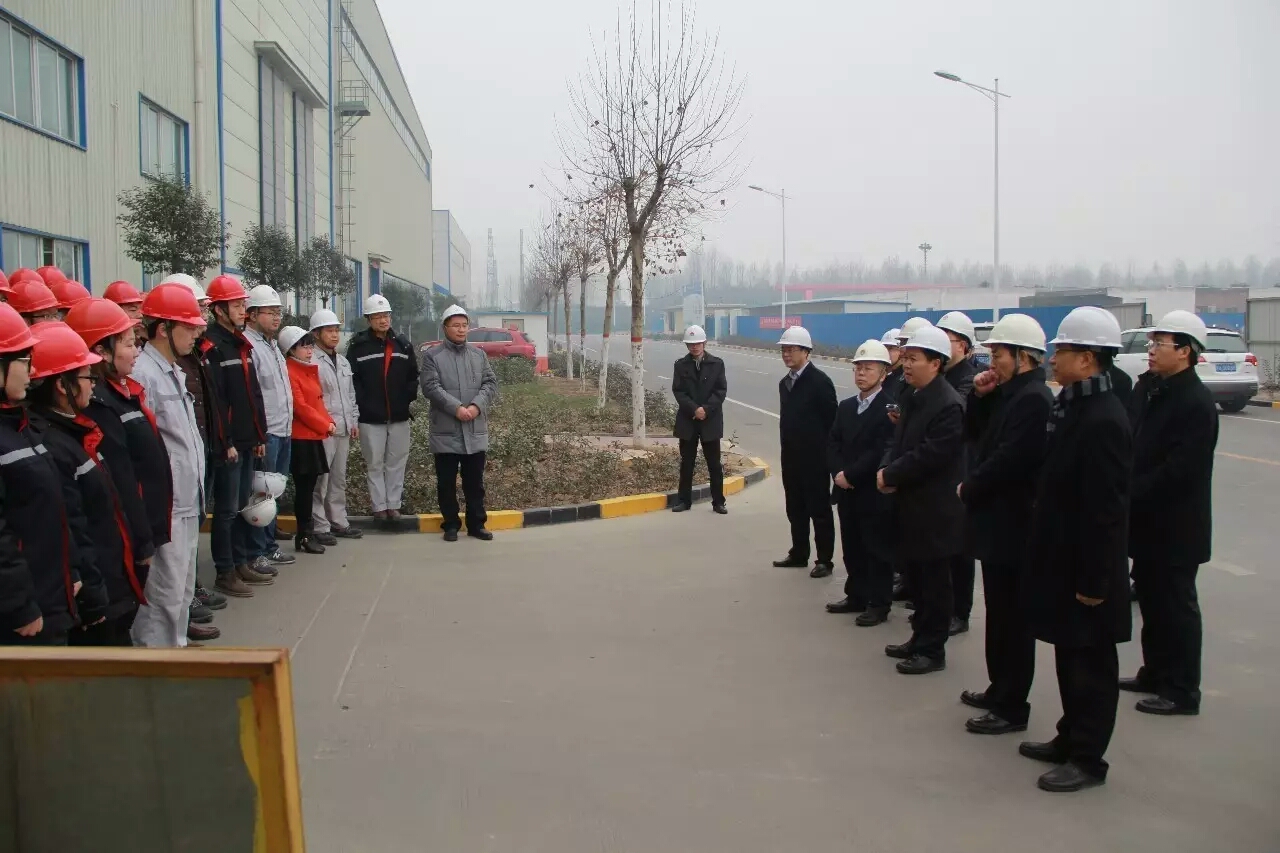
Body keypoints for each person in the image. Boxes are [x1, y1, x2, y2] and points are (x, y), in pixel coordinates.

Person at [1019, 306, 1132, 793]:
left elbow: (1106, 510)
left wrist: (1095, 580)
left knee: (1092, 665)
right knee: (1070, 657)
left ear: (1087, 358)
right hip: (1064, 559)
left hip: (1089, 570)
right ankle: (1069, 737)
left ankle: (1088, 759)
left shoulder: (1104, 418)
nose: (1052, 358)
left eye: (1061, 350)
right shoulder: (1072, 406)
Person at [955, 314, 1054, 735]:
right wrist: (980, 397)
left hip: (1015, 524)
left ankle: (1012, 705)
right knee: (998, 615)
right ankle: (999, 689)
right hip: (997, 522)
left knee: (1013, 620)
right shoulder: (1009, 393)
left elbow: (1010, 458)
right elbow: (977, 436)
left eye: (998, 354)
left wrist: (971, 485)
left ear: (1024, 357)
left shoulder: (1034, 399)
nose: (991, 362)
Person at [1122, 309, 1218, 717]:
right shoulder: (1153, 389)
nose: (1151, 350)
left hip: (1177, 525)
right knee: (1151, 600)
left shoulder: (1196, 402)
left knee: (1176, 607)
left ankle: (1181, 690)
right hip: (1148, 521)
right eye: (1152, 342)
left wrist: (1132, 491)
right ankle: (1155, 672)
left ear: (1185, 351)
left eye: (1160, 344)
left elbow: (1181, 469)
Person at [28, 323, 146, 647]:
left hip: (110, 582)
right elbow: (74, 529)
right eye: (86, 377)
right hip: (96, 595)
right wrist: (93, 594)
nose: (93, 385)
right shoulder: (54, 446)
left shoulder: (74, 433)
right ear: (62, 385)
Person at [0, 304, 107, 645]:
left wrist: (71, 570)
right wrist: (19, 605)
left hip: (50, 596)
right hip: (24, 616)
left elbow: (55, 513)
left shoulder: (21, 427)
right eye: (23, 360)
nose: (31, 371)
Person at [878, 323, 965, 675]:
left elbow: (931, 455)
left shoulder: (949, 404)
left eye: (914, 358)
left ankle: (932, 649)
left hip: (935, 511)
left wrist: (892, 474)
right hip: (910, 505)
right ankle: (918, 638)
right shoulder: (914, 396)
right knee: (917, 581)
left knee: (935, 584)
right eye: (906, 357)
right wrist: (887, 469)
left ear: (936, 363)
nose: (907, 364)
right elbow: (898, 443)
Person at [130, 284, 210, 648]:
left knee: (181, 589)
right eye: (188, 327)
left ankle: (175, 651)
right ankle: (155, 658)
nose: (196, 334)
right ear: (163, 328)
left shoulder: (172, 370)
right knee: (163, 592)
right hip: (169, 504)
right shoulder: (143, 374)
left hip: (187, 498)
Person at [162, 274, 231, 613]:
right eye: (196, 311)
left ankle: (190, 595)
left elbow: (211, 401)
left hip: (201, 448)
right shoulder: (162, 365)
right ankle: (183, 602)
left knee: (193, 530)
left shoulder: (196, 353)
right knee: (176, 544)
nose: (201, 320)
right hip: (177, 468)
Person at [203, 275, 272, 596]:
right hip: (229, 444)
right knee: (227, 509)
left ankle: (241, 561)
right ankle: (225, 570)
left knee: (244, 506)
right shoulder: (212, 346)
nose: (243, 310)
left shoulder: (240, 342)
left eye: (243, 304)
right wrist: (226, 441)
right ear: (218, 310)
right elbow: (216, 401)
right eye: (236, 305)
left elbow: (252, 394)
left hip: (247, 440)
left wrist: (259, 435)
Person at [826, 340, 896, 626]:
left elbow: (880, 450)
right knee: (852, 545)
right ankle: (855, 594)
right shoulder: (846, 407)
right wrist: (837, 473)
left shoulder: (890, 408)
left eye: (868, 368)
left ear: (884, 373)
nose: (862, 373)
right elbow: (833, 442)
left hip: (871, 490)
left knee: (876, 549)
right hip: (846, 489)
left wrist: (851, 475)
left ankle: (878, 603)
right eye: (858, 368)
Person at [420, 304, 499, 541]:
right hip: (445, 430)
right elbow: (430, 387)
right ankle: (451, 524)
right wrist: (456, 408)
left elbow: (490, 383)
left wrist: (475, 406)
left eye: (464, 325)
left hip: (474, 428)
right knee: (446, 482)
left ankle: (476, 524)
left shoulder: (478, 355)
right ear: (445, 328)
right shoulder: (432, 356)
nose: (461, 330)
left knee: (475, 482)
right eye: (456, 325)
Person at [772, 326, 838, 577]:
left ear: (806, 352)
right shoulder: (785, 384)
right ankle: (799, 553)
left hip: (815, 460)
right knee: (795, 508)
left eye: (791, 350)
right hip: (791, 458)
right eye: (783, 350)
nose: (786, 354)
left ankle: (824, 560)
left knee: (819, 511)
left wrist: (828, 457)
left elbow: (832, 423)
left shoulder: (820, 382)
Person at [348, 293, 419, 521]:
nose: (383, 320)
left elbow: (413, 376)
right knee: (375, 463)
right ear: (369, 319)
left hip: (399, 416)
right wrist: (363, 402)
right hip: (370, 417)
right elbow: (352, 379)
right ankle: (379, 506)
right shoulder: (358, 347)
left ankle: (394, 505)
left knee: (397, 462)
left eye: (386, 315)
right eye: (377, 316)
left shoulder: (403, 345)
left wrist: (406, 398)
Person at [244, 285, 299, 559]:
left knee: (273, 494)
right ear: (252, 314)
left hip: (283, 430)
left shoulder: (273, 346)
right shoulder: (249, 347)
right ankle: (257, 551)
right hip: (266, 434)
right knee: (260, 496)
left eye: (279, 312)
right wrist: (258, 434)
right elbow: (252, 396)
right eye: (270, 312)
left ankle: (269, 546)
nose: (277, 318)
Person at [936, 311, 981, 636]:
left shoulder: (968, 378)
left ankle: (960, 611)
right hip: (940, 472)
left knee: (960, 548)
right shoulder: (941, 374)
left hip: (961, 469)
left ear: (963, 345)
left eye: (947, 339)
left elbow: (956, 417)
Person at [278, 326, 337, 554]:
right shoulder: (291, 371)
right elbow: (301, 407)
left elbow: (317, 402)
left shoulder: (306, 369)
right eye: (304, 347)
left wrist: (328, 421)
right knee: (304, 489)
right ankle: (304, 534)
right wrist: (324, 424)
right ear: (291, 350)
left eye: (310, 345)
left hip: (312, 436)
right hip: (301, 437)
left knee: (309, 487)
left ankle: (306, 532)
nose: (309, 350)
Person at [310, 308, 362, 541]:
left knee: (338, 479)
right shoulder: (311, 360)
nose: (334, 335)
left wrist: (353, 420)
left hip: (343, 429)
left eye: (336, 330)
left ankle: (339, 522)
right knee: (321, 480)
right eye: (329, 331)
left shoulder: (342, 361)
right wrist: (323, 423)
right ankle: (320, 526)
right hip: (323, 430)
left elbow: (350, 395)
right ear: (316, 334)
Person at [670, 324, 728, 514]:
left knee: (714, 464)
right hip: (688, 420)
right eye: (691, 344)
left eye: (697, 343)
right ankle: (683, 501)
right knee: (687, 463)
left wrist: (706, 410)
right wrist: (694, 409)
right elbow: (678, 391)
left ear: (704, 343)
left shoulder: (717, 364)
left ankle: (718, 502)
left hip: (710, 421)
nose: (694, 347)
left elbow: (720, 391)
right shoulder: (680, 365)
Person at [103, 280, 147, 348]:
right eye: (133, 310)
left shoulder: (141, 342)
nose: (140, 315)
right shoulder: (105, 347)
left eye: (140, 310)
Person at [879, 328, 904, 400]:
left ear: (901, 351)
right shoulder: (881, 375)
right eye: (884, 348)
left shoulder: (906, 379)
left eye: (890, 348)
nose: (886, 352)